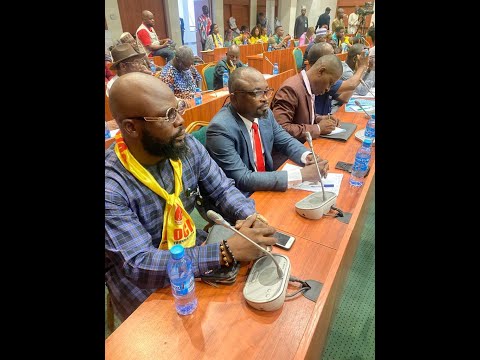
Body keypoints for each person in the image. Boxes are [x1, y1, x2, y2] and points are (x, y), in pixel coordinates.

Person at [106, 72, 277, 321]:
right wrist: (224, 252)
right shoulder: (111, 188)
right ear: (131, 127)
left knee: (239, 314)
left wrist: (250, 215)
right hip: (139, 278)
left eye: (178, 108)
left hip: (188, 246)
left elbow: (222, 189)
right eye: (168, 115)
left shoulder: (184, 146)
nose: (181, 121)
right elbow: (138, 263)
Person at [206, 66, 329, 196]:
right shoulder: (220, 130)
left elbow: (285, 141)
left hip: (267, 186)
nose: (265, 98)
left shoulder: (264, 114)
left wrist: (308, 156)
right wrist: (301, 175)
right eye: (256, 93)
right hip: (242, 197)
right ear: (234, 98)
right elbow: (242, 179)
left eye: (266, 91)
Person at [270, 54, 343, 168]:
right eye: (330, 82)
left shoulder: (307, 86)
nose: (328, 88)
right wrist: (318, 128)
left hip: (302, 147)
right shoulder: (291, 89)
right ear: (321, 71)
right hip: (285, 157)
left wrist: (319, 118)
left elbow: (300, 116)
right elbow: (280, 129)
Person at [307, 42, 368, 115]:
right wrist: (362, 66)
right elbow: (352, 85)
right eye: (332, 55)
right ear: (320, 61)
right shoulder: (321, 78)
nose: (335, 58)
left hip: (322, 119)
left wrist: (357, 71)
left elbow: (344, 98)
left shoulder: (325, 75)